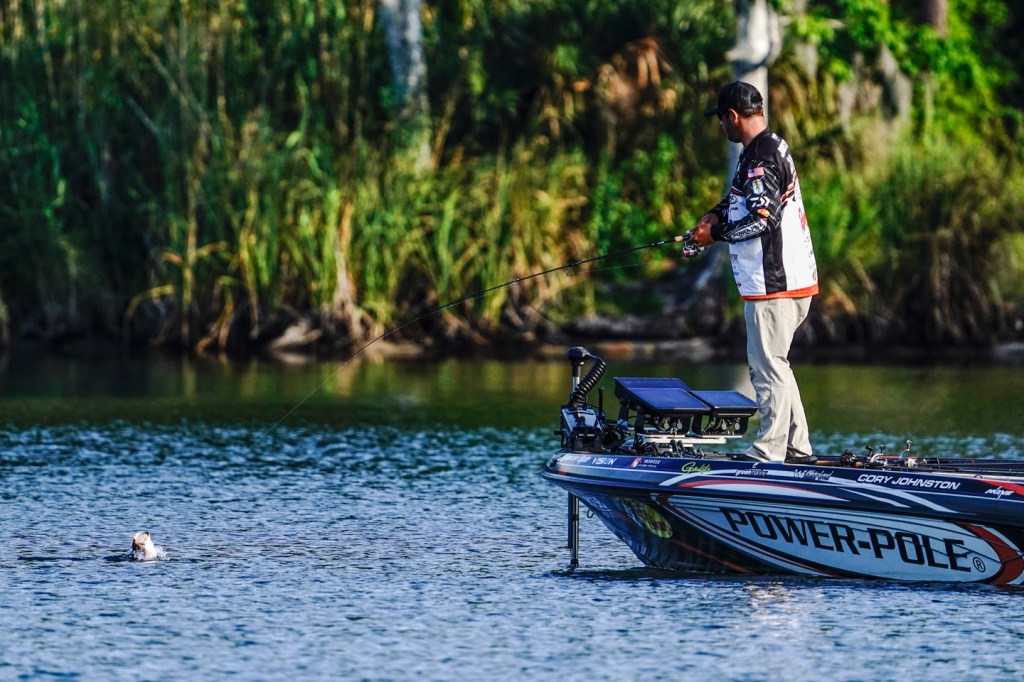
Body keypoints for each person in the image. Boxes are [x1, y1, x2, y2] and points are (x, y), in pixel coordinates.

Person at [686, 81, 818, 465]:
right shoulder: (767, 147)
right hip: (790, 282)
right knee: (778, 365)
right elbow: (746, 198)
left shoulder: (760, 158)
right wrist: (714, 214)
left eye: (720, 119)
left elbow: (763, 218)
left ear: (732, 116)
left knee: (767, 368)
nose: (720, 126)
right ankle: (796, 449)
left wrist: (715, 235)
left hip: (773, 285)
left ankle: (768, 452)